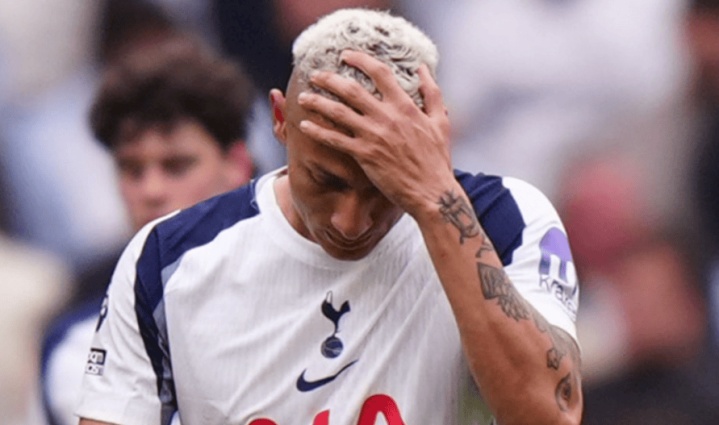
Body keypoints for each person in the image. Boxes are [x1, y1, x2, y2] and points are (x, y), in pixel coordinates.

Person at [76, 8, 582, 425]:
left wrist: (434, 201)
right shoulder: (167, 259)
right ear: (280, 120)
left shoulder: (505, 219)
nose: (349, 222)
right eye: (325, 180)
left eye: (382, 188)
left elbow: (550, 415)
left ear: (434, 136)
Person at [40, 37, 255, 425]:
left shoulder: (310, 293)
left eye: (177, 165)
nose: (151, 190)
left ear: (237, 164)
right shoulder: (75, 345)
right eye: (132, 169)